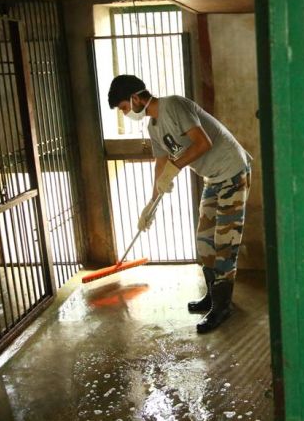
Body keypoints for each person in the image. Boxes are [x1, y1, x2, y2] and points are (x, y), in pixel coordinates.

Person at [107, 75, 251, 332]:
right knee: (205, 240)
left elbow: (203, 143)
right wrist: (151, 205)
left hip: (232, 171)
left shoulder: (173, 105)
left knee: (224, 242)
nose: (126, 113)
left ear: (136, 98)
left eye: (125, 108)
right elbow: (161, 164)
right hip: (213, 178)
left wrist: (174, 167)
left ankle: (222, 307)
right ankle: (211, 296)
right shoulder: (153, 127)